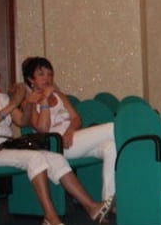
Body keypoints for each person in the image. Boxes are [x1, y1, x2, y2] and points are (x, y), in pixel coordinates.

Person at [0, 56, 112, 225]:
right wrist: (13, 104)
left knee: (55, 157)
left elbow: (22, 122)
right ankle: (50, 216)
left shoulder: (1, 98)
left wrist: (28, 104)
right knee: (35, 158)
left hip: (6, 145)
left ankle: (91, 206)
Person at [22, 56, 116, 212]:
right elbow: (43, 129)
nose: (47, 78)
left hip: (72, 140)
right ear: (31, 80)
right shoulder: (29, 103)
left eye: (50, 74)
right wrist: (44, 99)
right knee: (112, 128)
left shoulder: (59, 96)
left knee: (111, 147)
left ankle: (108, 203)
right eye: (41, 74)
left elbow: (76, 118)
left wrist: (69, 132)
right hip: (56, 147)